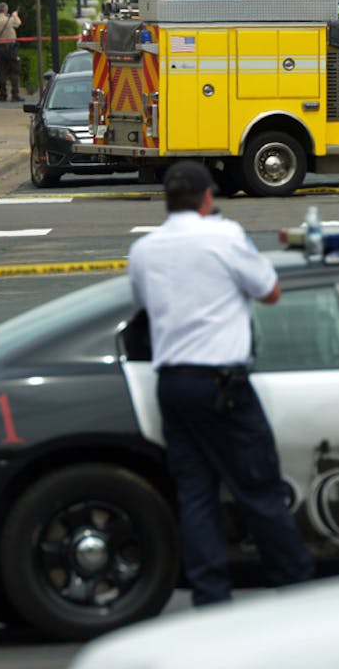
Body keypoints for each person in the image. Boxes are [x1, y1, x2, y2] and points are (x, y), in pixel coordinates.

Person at [127, 161, 314, 606]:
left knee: (195, 495)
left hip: (173, 383)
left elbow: (143, 306)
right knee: (258, 488)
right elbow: (269, 291)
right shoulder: (225, 236)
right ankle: (297, 588)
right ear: (208, 197)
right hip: (222, 385)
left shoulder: (145, 249)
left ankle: (211, 598)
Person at [0, 2, 22, 101]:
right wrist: (15, 16)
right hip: (11, 48)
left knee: (1, 72)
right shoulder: (9, 20)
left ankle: (3, 94)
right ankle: (15, 94)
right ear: (6, 10)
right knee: (14, 71)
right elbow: (18, 23)